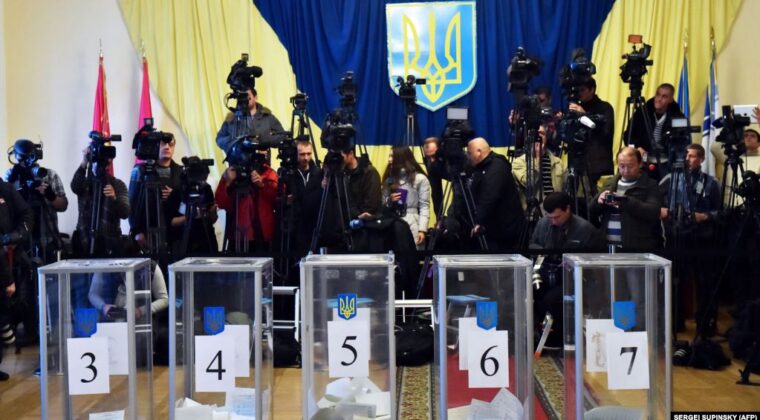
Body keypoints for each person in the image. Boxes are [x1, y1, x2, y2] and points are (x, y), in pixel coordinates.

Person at [659, 144, 721, 333]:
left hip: (701, 237)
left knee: (704, 281)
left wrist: (705, 216)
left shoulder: (711, 182)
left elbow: (720, 212)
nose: (688, 159)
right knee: (674, 279)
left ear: (701, 159)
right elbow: (656, 202)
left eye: (693, 156)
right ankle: (675, 322)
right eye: (686, 155)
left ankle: (705, 324)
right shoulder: (670, 179)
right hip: (677, 236)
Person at [529, 191, 602, 347]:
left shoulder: (586, 230)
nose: (553, 221)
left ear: (568, 209)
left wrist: (574, 261)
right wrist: (544, 252)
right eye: (550, 217)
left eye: (557, 217)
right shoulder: (543, 224)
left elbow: (595, 263)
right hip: (547, 273)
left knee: (551, 299)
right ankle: (539, 335)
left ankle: (557, 338)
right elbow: (533, 245)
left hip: (575, 279)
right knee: (532, 293)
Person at [4, 139, 68, 262]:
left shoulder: (49, 175)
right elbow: (4, 209)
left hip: (47, 238)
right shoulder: (10, 176)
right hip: (19, 241)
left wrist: (50, 196)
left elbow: (63, 206)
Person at [459, 137, 525, 250]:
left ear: (479, 152)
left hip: (504, 233)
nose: (468, 157)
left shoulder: (497, 167)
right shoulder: (479, 168)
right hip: (493, 229)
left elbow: (488, 197)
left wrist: (477, 221)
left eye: (469, 153)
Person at [592, 147, 663, 251]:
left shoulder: (650, 185)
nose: (626, 170)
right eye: (622, 166)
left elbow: (653, 212)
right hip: (608, 246)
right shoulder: (610, 183)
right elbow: (591, 211)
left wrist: (625, 201)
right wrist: (599, 200)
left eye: (630, 166)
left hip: (637, 247)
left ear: (640, 164)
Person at [128, 133, 183, 254]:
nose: (167, 147)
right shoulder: (140, 170)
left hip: (174, 236)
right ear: (156, 145)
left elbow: (186, 204)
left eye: (170, 144)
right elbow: (132, 202)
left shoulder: (181, 172)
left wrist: (175, 195)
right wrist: (137, 231)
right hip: (147, 233)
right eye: (163, 143)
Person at [0, 178, 33, 380]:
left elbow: (27, 215)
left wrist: (16, 235)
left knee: (6, 309)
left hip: (9, 258)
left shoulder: (5, 189)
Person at [71, 147, 130, 257]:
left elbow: (125, 212)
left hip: (109, 243)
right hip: (83, 240)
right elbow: (75, 186)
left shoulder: (117, 184)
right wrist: (84, 162)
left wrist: (114, 198)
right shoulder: (85, 183)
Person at [215, 151, 278, 253]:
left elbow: (277, 201)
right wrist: (227, 182)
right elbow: (221, 203)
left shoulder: (269, 173)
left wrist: (262, 185)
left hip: (263, 234)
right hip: (238, 234)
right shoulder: (233, 173)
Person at [624, 83, 684, 181]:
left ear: (671, 99)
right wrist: (637, 147)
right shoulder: (642, 112)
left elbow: (681, 142)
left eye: (664, 96)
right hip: (644, 161)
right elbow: (628, 135)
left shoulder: (677, 117)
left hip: (666, 163)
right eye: (658, 94)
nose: (659, 99)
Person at [568, 78, 615, 187]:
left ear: (592, 89)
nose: (579, 93)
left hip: (597, 164)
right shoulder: (575, 108)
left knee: (591, 195)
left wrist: (584, 115)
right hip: (578, 162)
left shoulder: (605, 108)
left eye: (582, 90)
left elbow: (605, 132)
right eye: (577, 90)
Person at [381, 146, 431, 247]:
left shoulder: (420, 179)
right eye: (389, 156)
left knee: (412, 253)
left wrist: (422, 230)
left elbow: (424, 206)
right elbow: (382, 205)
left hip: (413, 224)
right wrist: (389, 200)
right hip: (392, 222)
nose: (389, 160)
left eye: (392, 156)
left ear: (401, 158)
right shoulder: (389, 180)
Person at [511, 125, 566, 210]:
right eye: (535, 134)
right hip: (534, 213)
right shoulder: (519, 162)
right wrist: (537, 158)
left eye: (542, 133)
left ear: (546, 138)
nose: (538, 137)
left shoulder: (558, 162)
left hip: (556, 211)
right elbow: (528, 183)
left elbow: (565, 190)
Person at [283, 140, 323, 256]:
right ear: (295, 154)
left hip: (313, 223)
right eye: (302, 154)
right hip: (294, 223)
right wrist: (286, 200)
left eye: (308, 154)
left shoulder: (318, 173)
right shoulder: (289, 174)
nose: (306, 158)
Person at [216, 87, 284, 154]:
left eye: (247, 96)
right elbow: (219, 139)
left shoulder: (267, 117)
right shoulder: (232, 118)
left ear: (255, 97)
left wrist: (264, 140)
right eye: (242, 97)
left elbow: (282, 136)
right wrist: (235, 141)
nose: (245, 99)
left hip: (260, 159)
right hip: (237, 159)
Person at [422, 137, 445, 216]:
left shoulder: (450, 160)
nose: (431, 160)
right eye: (428, 157)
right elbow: (436, 193)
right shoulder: (430, 164)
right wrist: (439, 217)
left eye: (434, 156)